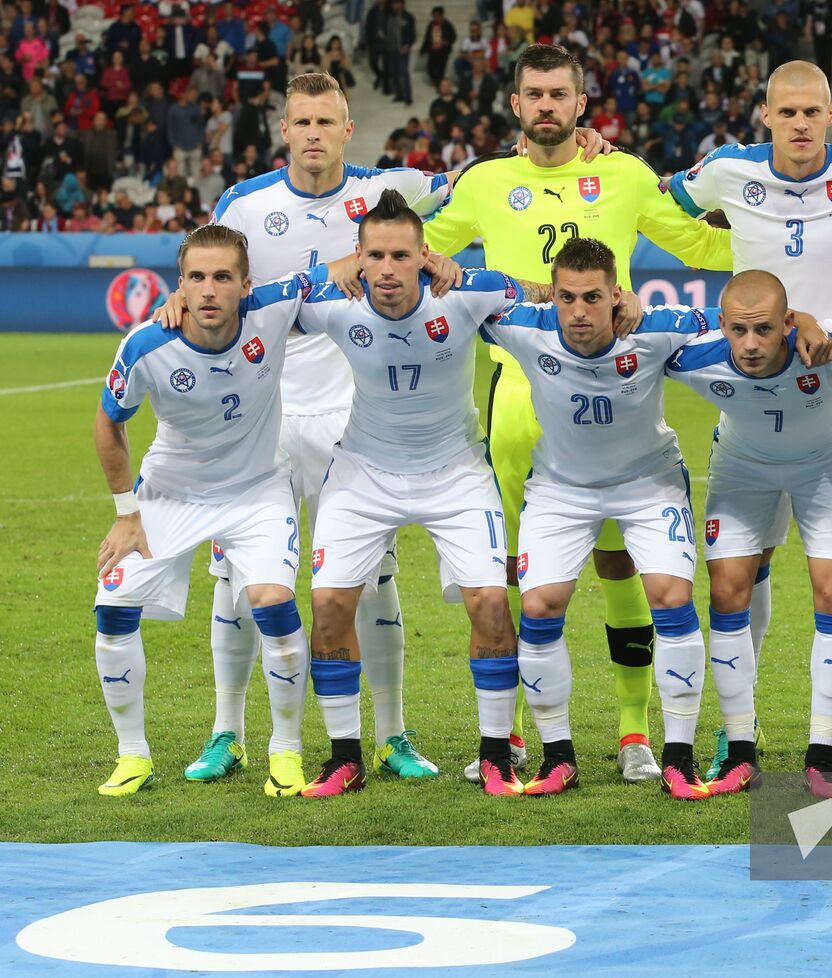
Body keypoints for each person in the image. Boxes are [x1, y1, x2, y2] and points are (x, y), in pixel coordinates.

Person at [423, 44, 735, 786]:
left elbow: (698, 243)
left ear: (582, 102)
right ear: (515, 105)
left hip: (610, 387)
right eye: (533, 94)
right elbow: (415, 252)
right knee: (505, 571)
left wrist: (808, 241)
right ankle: (513, 736)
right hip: (516, 392)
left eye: (559, 94)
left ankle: (634, 734)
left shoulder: (623, 175)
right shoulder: (485, 181)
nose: (546, 107)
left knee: (621, 558)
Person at [160, 72, 458, 795]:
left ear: (347, 129)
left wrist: (583, 138)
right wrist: (179, 294)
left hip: (353, 419)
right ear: (285, 130)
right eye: (303, 122)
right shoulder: (246, 203)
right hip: (260, 419)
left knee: (375, 580)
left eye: (327, 122)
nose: (315, 134)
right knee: (236, 583)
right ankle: (227, 731)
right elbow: (212, 270)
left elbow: (476, 180)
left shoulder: (388, 193)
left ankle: (391, 735)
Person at [478, 238, 832, 799]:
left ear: (616, 294)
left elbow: (731, 319)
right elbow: (462, 299)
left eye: (592, 297)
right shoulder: (527, 326)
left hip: (648, 484)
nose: (578, 311)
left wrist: (805, 317)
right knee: (539, 605)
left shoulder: (657, 327)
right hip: (562, 488)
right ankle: (558, 756)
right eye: (566, 297)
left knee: (670, 595)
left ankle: (679, 757)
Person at [666, 60, 832, 780]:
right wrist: (605, 157)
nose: (798, 124)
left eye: (810, 113)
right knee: (743, 568)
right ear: (764, 114)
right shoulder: (725, 172)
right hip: (756, 398)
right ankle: (739, 727)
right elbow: (657, 200)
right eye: (785, 112)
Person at [293, 193, 545, 797]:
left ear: (424, 256)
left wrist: (622, 297)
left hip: (455, 472)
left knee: (489, 603)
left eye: (400, 255)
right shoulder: (334, 301)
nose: (386, 269)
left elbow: (550, 292)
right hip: (363, 472)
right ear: (357, 258)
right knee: (327, 607)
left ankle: (495, 758)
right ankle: (345, 757)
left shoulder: (466, 292)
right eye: (374, 255)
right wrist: (322, 272)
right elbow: (248, 302)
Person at [91, 225, 320, 797]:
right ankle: (132, 754)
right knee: (112, 609)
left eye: (222, 277)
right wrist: (126, 512)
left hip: (257, 491)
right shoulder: (147, 344)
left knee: (273, 604)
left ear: (246, 284)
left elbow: (354, 269)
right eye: (197, 277)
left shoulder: (274, 308)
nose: (210, 289)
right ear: (181, 286)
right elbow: (106, 422)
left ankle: (285, 749)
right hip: (170, 493)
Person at [666, 270, 832, 797]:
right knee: (729, 591)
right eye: (737, 331)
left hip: (827, 467)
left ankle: (820, 757)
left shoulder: (828, 348)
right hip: (742, 467)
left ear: (786, 323)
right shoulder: (697, 357)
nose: (749, 345)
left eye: (763, 330)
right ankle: (739, 752)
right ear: (722, 325)